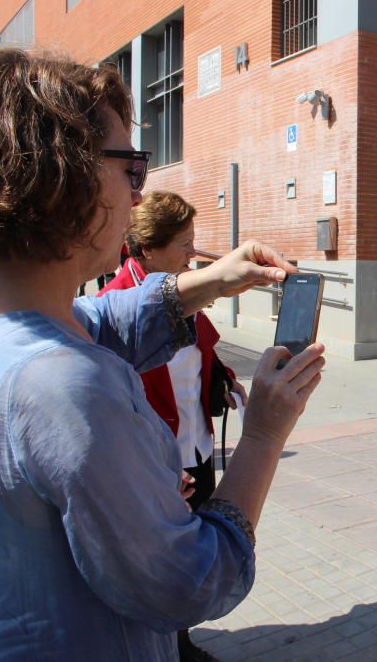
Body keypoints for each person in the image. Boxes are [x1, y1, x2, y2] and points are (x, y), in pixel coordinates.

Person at [0, 49, 325, 660]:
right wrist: (265, 434)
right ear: (64, 177)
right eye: (131, 171)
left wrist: (214, 280)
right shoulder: (62, 386)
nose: (138, 200)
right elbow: (187, 581)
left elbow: (94, 321)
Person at [98, 192, 247, 662]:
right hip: (156, 461)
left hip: (196, 447)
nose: (192, 255)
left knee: (193, 552)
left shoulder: (184, 292)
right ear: (146, 250)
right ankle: (170, 648)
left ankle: (182, 642)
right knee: (164, 562)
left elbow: (201, 355)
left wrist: (219, 381)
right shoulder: (112, 306)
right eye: (184, 244)